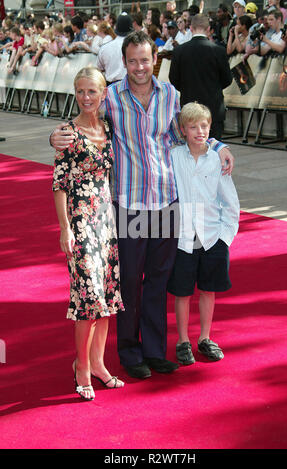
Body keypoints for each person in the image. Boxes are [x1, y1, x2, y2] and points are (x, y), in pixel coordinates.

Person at [50, 31, 235, 380]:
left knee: (158, 280)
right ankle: (130, 352)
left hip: (166, 202)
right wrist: (55, 135)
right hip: (129, 204)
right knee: (130, 280)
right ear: (125, 61)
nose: (139, 67)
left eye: (145, 60)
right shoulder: (112, 97)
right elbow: (83, 114)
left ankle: (154, 351)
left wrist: (217, 144)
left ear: (155, 60)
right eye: (133, 60)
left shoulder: (170, 95)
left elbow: (188, 129)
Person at [52, 67, 125, 401]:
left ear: (103, 94)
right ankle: (81, 367)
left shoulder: (108, 127)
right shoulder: (68, 133)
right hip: (81, 224)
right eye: (80, 92)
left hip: (105, 223)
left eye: (92, 91)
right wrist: (65, 229)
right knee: (87, 300)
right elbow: (59, 184)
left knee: (106, 298)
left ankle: (99, 363)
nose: (86, 98)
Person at [167, 102, 240, 365]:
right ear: (183, 130)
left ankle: (205, 338)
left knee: (209, 290)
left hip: (212, 236)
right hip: (183, 237)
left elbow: (230, 202)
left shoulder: (217, 160)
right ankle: (183, 340)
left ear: (211, 128)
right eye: (193, 126)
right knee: (182, 292)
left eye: (204, 126)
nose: (199, 131)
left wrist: (225, 238)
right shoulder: (174, 156)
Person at [169, 14, 233, 140]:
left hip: (189, 105)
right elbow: (227, 79)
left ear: (191, 28)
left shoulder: (179, 51)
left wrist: (187, 88)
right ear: (209, 29)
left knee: (190, 149)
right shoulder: (218, 51)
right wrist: (214, 87)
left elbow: (174, 79)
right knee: (214, 149)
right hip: (213, 106)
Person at [97, 14, 133, 85]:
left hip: (112, 86)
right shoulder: (137, 47)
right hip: (130, 86)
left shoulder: (105, 48)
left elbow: (99, 68)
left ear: (116, 27)